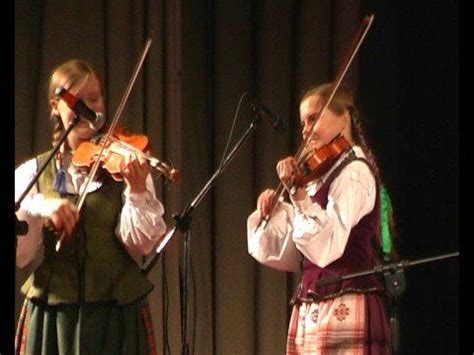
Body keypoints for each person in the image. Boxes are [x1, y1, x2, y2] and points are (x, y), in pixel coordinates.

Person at [15, 59, 167, 354]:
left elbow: (142, 245)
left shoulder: (122, 161)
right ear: (55, 106)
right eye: (78, 101)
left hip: (115, 313)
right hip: (54, 313)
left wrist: (136, 192)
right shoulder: (34, 171)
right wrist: (41, 206)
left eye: (95, 98)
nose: (90, 108)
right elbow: (22, 253)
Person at [247, 82, 395, 354]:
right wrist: (277, 212)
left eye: (313, 118)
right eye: (303, 122)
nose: (305, 130)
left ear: (343, 118)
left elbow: (328, 246)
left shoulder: (354, 172)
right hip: (314, 305)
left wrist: (300, 197)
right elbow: (300, 253)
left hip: (347, 302)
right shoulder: (321, 174)